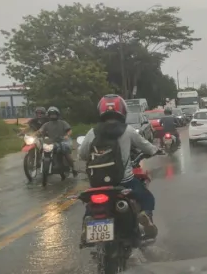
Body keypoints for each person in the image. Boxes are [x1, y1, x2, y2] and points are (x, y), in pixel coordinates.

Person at [78, 94, 161, 239]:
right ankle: (144, 217)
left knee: (91, 204)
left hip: (97, 182)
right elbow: (146, 147)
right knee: (147, 198)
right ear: (123, 110)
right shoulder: (128, 130)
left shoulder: (92, 132)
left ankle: (88, 222)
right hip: (124, 180)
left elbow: (82, 154)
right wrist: (156, 150)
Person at [36, 106, 77, 176]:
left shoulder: (63, 122)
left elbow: (69, 130)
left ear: (57, 114)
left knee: (66, 152)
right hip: (52, 142)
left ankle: (73, 168)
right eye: (51, 114)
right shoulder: (46, 124)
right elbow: (40, 130)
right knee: (43, 150)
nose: (53, 115)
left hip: (62, 141)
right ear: (48, 115)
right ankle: (42, 164)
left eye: (54, 114)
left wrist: (67, 136)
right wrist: (36, 134)